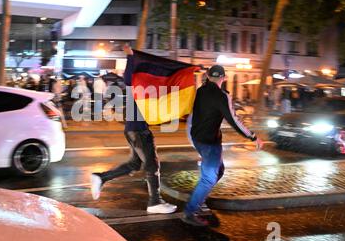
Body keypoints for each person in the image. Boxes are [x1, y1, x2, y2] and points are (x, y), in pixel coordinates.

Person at [90, 45, 177, 214]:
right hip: (138, 130)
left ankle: (101, 178)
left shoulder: (142, 88)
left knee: (135, 164)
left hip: (135, 129)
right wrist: (130, 56)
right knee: (152, 165)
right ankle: (154, 202)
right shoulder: (134, 85)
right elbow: (129, 77)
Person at [184, 65, 263, 226]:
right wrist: (252, 136)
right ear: (224, 78)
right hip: (210, 142)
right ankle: (191, 211)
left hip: (199, 138)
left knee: (218, 171)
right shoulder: (221, 96)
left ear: (207, 75)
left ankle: (199, 198)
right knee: (209, 177)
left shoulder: (201, 90)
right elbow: (233, 120)